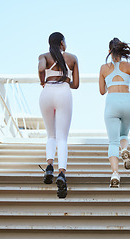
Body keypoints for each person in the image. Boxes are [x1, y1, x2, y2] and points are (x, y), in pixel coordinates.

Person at [38, 32, 79, 198]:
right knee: (62, 137)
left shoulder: (43, 56)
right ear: (62, 43)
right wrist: (66, 78)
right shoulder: (72, 58)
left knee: (51, 135)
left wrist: (43, 80)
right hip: (64, 92)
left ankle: (49, 166)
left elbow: (41, 68)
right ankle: (61, 172)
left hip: (46, 92)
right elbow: (76, 85)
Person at [99, 37, 130, 188]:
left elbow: (101, 91)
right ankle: (124, 149)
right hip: (127, 101)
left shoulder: (104, 68)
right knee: (124, 135)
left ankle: (115, 173)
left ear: (110, 51)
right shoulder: (129, 65)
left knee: (112, 141)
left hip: (111, 102)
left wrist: (108, 82)